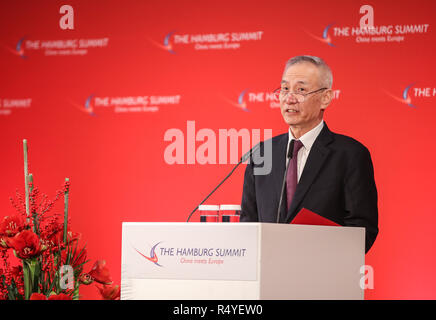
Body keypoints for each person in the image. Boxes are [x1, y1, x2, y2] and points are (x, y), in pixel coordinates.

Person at [240, 55, 378, 253]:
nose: (289, 98)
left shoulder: (350, 155)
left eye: (301, 90)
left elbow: (362, 229)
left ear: (325, 98)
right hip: (270, 277)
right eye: (285, 89)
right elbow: (248, 223)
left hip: (323, 277)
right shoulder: (263, 153)